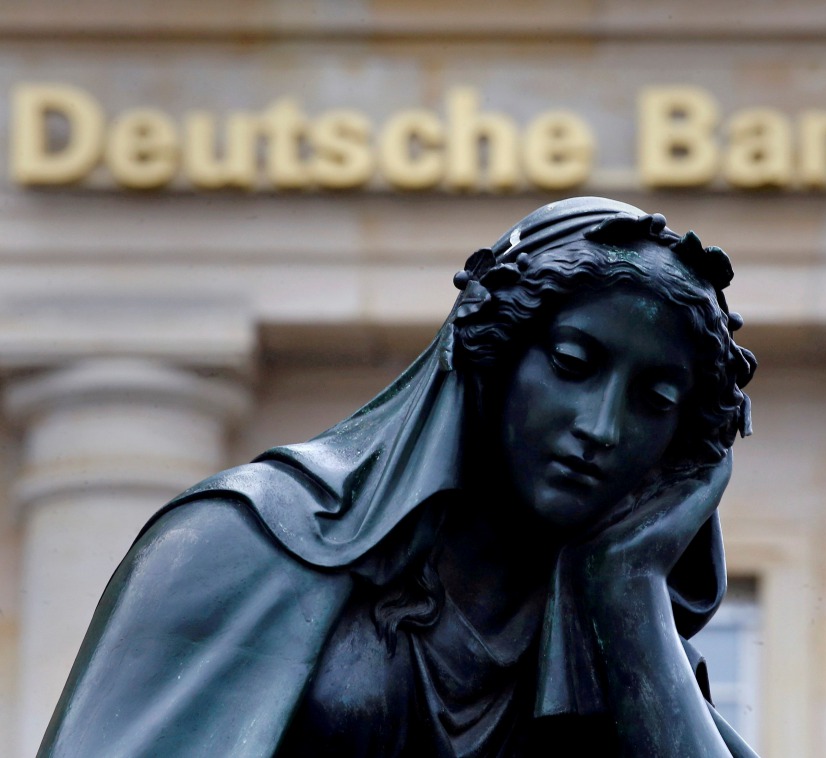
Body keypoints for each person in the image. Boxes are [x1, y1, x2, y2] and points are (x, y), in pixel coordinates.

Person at [38, 197, 759, 757]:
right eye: (572, 366)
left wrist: (630, 590)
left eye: (654, 402)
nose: (601, 427)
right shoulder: (248, 541)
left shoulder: (619, 649)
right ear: (494, 356)